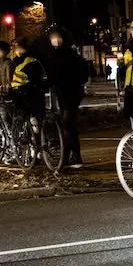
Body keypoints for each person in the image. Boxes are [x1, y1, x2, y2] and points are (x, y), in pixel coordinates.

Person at [46, 25, 88, 168]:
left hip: (72, 93)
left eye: (57, 37)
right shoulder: (52, 56)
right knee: (69, 126)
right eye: (52, 38)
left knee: (67, 124)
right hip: (61, 94)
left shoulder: (72, 56)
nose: (55, 40)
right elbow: (51, 76)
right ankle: (74, 156)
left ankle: (68, 156)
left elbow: (83, 74)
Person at [0, 41, 15, 165]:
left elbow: (10, 82)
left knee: (7, 126)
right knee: (2, 127)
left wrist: (1, 88)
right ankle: (7, 152)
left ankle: (13, 151)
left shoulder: (7, 63)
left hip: (5, 98)